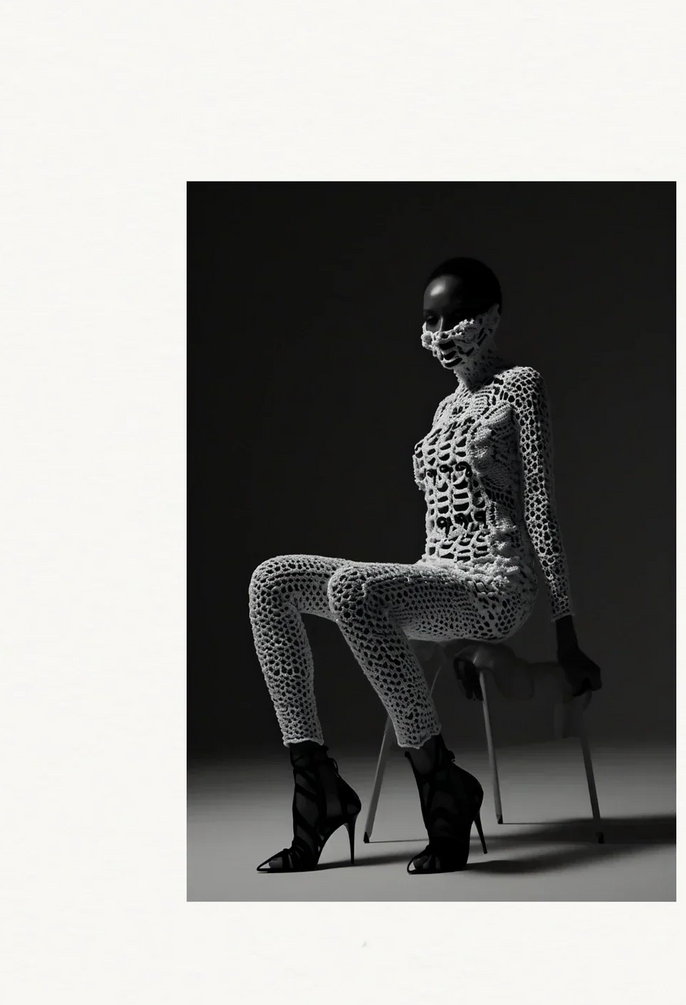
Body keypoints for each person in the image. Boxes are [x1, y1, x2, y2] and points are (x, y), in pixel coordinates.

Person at [248, 257, 602, 875]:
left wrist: (565, 632)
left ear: (491, 317)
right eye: (429, 320)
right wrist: (435, 611)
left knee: (356, 589)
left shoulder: (520, 386)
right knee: (272, 579)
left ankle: (439, 781)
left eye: (456, 317)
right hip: (440, 579)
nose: (441, 333)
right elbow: (440, 525)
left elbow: (541, 506)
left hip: (496, 586)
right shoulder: (442, 411)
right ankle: (317, 788)